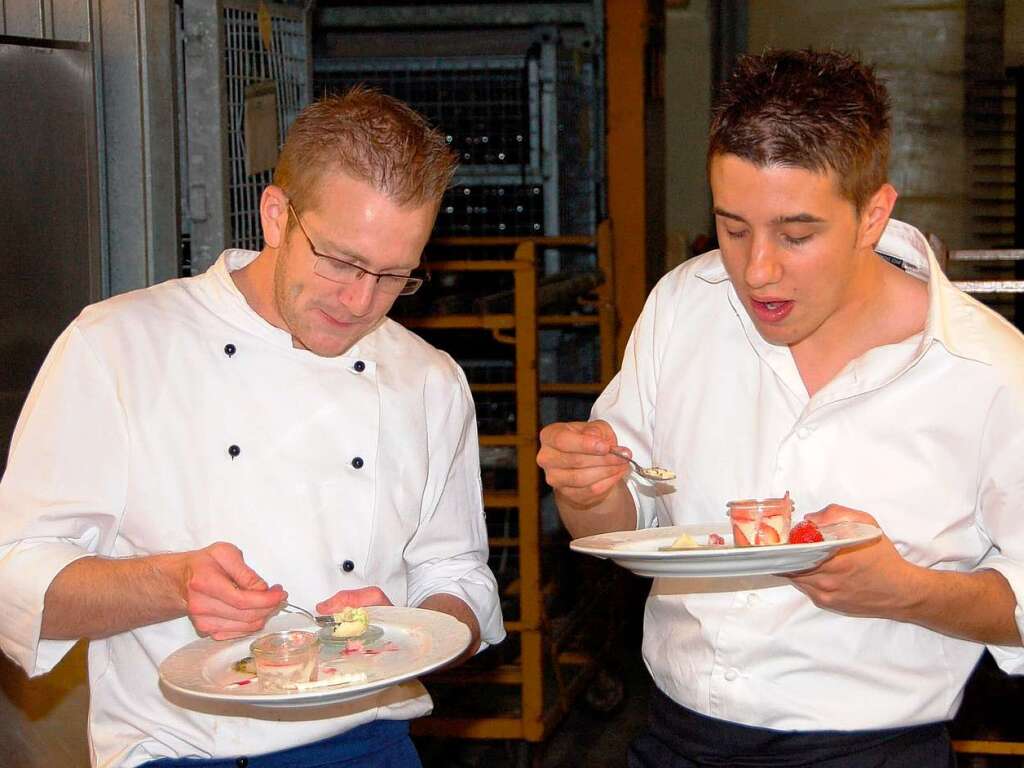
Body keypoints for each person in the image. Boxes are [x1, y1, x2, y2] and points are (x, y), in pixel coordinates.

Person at [537, 49, 1024, 766]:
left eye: (797, 236)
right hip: (675, 738)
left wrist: (906, 592)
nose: (757, 269)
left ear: (872, 216)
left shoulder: (987, 372)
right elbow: (625, 521)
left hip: (872, 752)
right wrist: (587, 488)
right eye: (733, 228)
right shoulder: (683, 306)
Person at [0, 86, 505, 767]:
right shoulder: (118, 346)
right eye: (342, 262)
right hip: (180, 751)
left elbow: (461, 577)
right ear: (276, 215)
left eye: (394, 276)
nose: (361, 302)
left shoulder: (428, 379)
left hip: (370, 746)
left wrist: (411, 628)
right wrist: (170, 584)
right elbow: (16, 577)